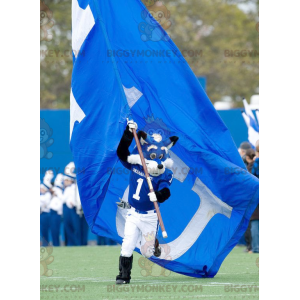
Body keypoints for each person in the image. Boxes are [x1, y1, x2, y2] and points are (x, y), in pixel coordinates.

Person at [115, 119, 178, 284]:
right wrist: (129, 133)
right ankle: (123, 275)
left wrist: (158, 196)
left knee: (147, 253)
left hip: (150, 216)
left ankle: (154, 245)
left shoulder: (164, 173)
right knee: (127, 244)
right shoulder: (137, 165)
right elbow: (121, 152)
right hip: (134, 213)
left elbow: (166, 191)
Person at [62, 162, 80, 246]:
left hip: (73, 209)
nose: (64, 182)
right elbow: (63, 199)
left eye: (66, 180)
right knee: (68, 227)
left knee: (75, 227)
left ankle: (76, 243)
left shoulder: (74, 187)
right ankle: (70, 243)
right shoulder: (66, 189)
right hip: (66, 209)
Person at [49, 173, 64, 246]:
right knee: (53, 230)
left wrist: (54, 209)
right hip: (52, 213)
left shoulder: (59, 192)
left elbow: (61, 203)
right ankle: (55, 244)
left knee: (56, 230)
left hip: (56, 213)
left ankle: (57, 244)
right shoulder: (53, 193)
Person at [249, 140, 259, 253]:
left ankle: (256, 247)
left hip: (257, 194)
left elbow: (253, 178)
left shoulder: (257, 163)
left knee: (256, 220)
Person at [40, 170, 54, 246]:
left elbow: (42, 202)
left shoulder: (47, 195)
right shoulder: (43, 195)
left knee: (44, 230)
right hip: (42, 214)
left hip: (45, 214)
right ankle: (45, 244)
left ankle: (46, 244)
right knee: (42, 231)